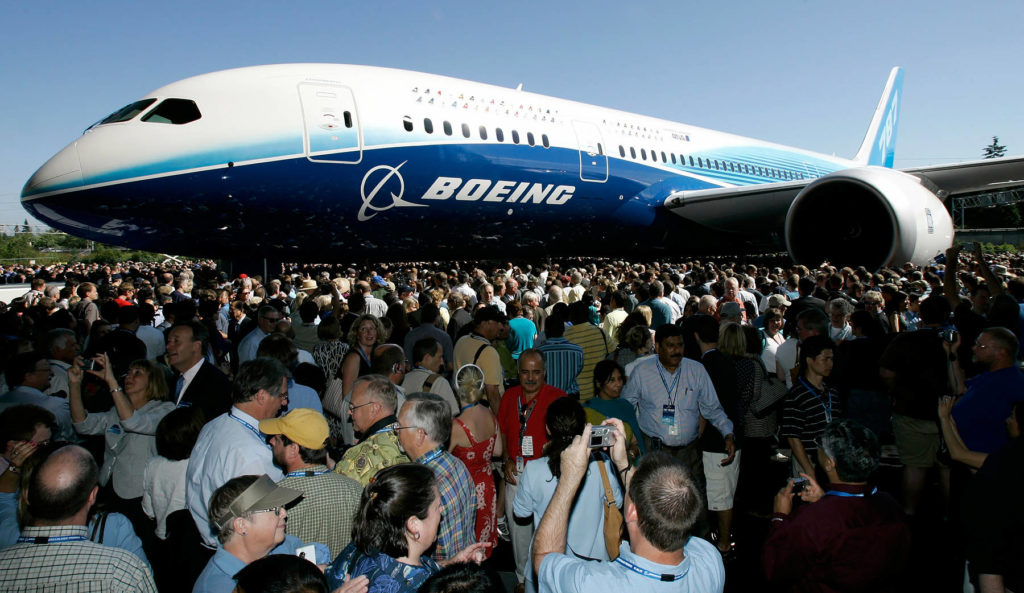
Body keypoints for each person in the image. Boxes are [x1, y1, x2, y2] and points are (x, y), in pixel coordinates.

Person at [531, 421, 725, 592]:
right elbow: (650, 502)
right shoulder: (710, 561)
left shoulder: (593, 584)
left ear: (632, 511)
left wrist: (570, 478)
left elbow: (543, 558)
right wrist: (623, 463)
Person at [763, 419, 911, 591]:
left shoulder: (814, 519)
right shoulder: (891, 505)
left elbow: (775, 569)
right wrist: (826, 500)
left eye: (821, 445)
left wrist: (780, 518)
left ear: (829, 463)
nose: (818, 447)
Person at [0, 445, 157, 592]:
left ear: (27, 496)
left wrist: (14, 468)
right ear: (92, 496)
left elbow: (4, 500)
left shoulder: (6, 544)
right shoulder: (121, 570)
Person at [514, 397, 623, 593]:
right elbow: (618, 502)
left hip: (545, 567)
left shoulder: (534, 469)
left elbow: (520, 513)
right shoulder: (603, 464)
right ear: (584, 428)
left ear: (548, 429)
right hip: (594, 572)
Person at [325, 464, 489, 593]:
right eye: (437, 506)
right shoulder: (419, 588)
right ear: (414, 525)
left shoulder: (362, 545)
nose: (441, 511)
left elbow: (402, 570)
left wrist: (450, 565)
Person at [621, 324, 736, 497]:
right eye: (671, 346)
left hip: (689, 453)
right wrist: (631, 438)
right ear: (658, 347)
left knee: (695, 501)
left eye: (680, 345)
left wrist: (727, 433)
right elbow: (625, 407)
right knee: (656, 502)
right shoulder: (642, 372)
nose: (677, 351)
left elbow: (712, 409)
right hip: (654, 452)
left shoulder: (696, 370)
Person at [186, 358, 290, 548]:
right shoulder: (253, 452)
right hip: (235, 549)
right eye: (282, 396)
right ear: (261, 396)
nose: (284, 404)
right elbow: (268, 518)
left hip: (201, 540)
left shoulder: (212, 425)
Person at [69, 353, 174, 531]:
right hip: (108, 487)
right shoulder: (115, 411)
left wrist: (111, 382)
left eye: (137, 373)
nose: (129, 377)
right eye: (128, 373)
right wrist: (74, 384)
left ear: (153, 381)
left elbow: (134, 422)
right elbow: (82, 425)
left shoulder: (164, 410)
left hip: (138, 494)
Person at [497, 349, 566, 588]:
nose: (530, 378)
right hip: (516, 475)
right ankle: (521, 579)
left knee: (548, 532)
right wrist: (506, 458)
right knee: (519, 534)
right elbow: (504, 432)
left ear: (544, 373)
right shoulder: (509, 397)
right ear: (518, 372)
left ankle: (547, 582)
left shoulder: (558, 398)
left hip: (548, 476)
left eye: (536, 372)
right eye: (525, 372)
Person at [192, 474, 331, 593]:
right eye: (275, 510)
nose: (284, 514)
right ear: (242, 525)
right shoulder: (217, 587)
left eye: (282, 507)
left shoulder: (286, 546)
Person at [262, 408, 361, 559]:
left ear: (294, 450)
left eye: (277, 438)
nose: (271, 441)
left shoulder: (274, 499)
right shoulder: (355, 489)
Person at [395, 392, 477, 562]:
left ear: (419, 435)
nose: (395, 431)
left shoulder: (423, 487)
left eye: (399, 426)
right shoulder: (456, 464)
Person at [449, 364, 503, 559]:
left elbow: (442, 463)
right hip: (487, 486)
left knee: (466, 547)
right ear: (481, 388)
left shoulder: (457, 425)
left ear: (457, 388)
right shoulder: (490, 414)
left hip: (465, 491)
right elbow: (498, 451)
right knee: (482, 541)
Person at [781, 335, 840, 478]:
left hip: (831, 460)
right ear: (809, 360)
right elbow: (793, 437)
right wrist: (809, 471)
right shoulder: (797, 395)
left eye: (832, 359)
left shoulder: (832, 392)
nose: (830, 364)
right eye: (825, 359)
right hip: (808, 461)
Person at [333, 374, 409, 485]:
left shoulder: (363, 453)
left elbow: (340, 493)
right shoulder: (408, 438)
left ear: (374, 409)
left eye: (352, 407)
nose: (348, 412)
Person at [165, 321, 233, 422]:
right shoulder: (172, 379)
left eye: (176, 341)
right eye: (168, 342)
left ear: (196, 346)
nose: (168, 347)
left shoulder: (215, 383)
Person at [0, 351, 74, 442]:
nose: (52, 373)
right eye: (47, 369)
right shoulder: (56, 405)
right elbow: (69, 437)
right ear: (29, 376)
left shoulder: (2, 402)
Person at [583, 359, 643, 458]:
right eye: (612, 380)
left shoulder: (626, 406)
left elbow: (636, 443)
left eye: (620, 379)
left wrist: (630, 454)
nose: (618, 384)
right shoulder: (588, 409)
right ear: (598, 383)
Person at [403, 337, 459, 414]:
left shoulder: (403, 379)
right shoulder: (439, 382)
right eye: (440, 357)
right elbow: (451, 415)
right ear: (427, 358)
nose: (442, 362)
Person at [339, 314, 385, 402]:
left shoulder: (376, 355)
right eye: (363, 329)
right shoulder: (353, 358)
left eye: (372, 328)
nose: (369, 332)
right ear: (357, 334)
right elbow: (347, 396)